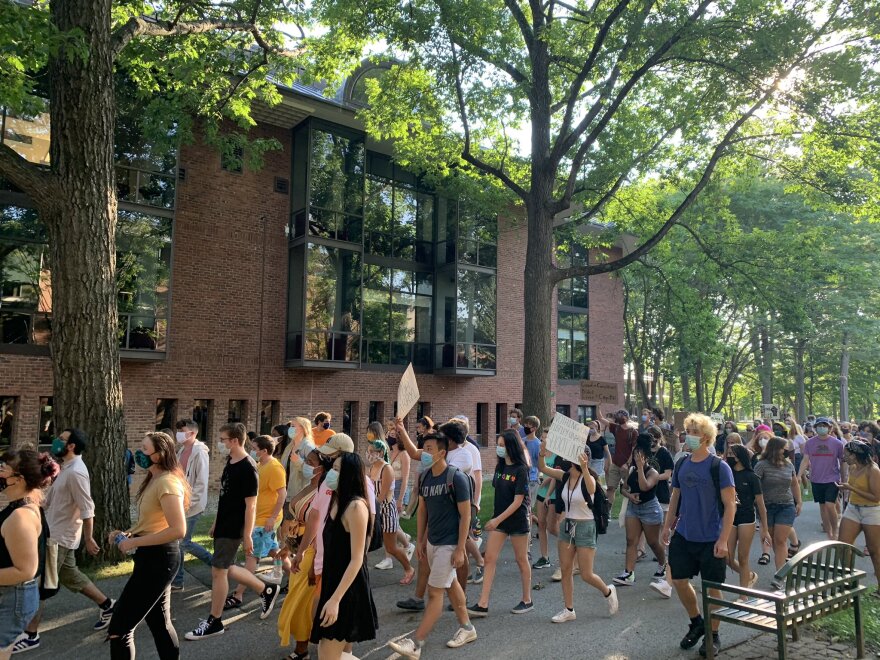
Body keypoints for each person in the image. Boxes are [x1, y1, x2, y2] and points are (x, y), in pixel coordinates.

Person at [13, 430, 114, 653]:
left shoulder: (77, 472)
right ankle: (108, 607)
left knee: (42, 584)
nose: (56, 440)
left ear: (71, 446)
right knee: (70, 574)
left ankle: (31, 635)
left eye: (62, 438)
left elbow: (88, 508)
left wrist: (89, 539)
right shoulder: (67, 469)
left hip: (58, 538)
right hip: (56, 534)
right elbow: (54, 501)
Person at [185, 423, 280, 640]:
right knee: (225, 567)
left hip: (235, 527)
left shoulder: (248, 467)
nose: (221, 443)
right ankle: (265, 589)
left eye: (223, 439)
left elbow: (251, 506)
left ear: (235, 440)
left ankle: (215, 621)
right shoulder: (231, 461)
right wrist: (216, 522)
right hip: (224, 524)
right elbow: (224, 496)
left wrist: (247, 535)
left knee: (218, 571)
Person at [387, 432, 477, 658]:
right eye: (423, 448)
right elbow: (423, 511)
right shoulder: (425, 477)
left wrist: (459, 549)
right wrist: (419, 540)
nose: (424, 453)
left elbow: (465, 516)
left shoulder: (456, 478)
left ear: (442, 452)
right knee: (451, 584)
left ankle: (416, 643)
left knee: (435, 593)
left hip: (449, 544)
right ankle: (467, 628)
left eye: (429, 449)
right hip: (432, 542)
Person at [106, 432, 189, 659]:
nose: (139, 453)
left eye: (144, 449)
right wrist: (128, 533)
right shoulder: (154, 479)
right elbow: (153, 521)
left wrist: (134, 541)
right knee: (159, 623)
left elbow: (178, 530)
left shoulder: (168, 482)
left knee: (119, 629)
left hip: (160, 559)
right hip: (151, 558)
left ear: (159, 454)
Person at [661, 413, 736, 657]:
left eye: (692, 432)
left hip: (712, 537)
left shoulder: (719, 467)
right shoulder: (682, 463)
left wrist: (723, 539)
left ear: (705, 437)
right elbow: (675, 496)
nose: (687, 436)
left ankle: (713, 635)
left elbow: (730, 504)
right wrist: (667, 525)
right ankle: (696, 622)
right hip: (684, 534)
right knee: (680, 581)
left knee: (712, 587)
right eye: (687, 431)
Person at [537, 447, 618, 622]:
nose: (563, 459)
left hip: (586, 526)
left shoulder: (589, 478)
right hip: (568, 525)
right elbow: (543, 469)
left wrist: (585, 467)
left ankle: (608, 592)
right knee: (566, 569)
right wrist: (542, 453)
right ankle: (569, 609)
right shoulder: (565, 476)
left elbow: (591, 488)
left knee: (586, 574)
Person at [310, 452, 378, 659]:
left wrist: (335, 600)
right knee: (334, 652)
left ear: (348, 474)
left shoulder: (356, 507)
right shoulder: (336, 502)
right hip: (333, 583)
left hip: (347, 590)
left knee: (328, 653)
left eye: (337, 469)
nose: (331, 473)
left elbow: (358, 558)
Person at [467, 430, 533, 616]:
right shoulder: (500, 468)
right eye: (499, 444)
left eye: (502, 445)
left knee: (521, 560)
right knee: (489, 558)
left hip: (517, 520)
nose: (499, 448)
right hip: (499, 521)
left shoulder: (521, 470)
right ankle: (483, 603)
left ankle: (527, 599)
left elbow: (518, 501)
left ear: (512, 446)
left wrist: (496, 520)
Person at [0, 449, 57, 660]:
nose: (0, 472)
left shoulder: (21, 517)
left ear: (19, 479)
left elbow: (25, 570)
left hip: (13, 597)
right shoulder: (20, 506)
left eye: (4, 469)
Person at [277, 449, 333, 660]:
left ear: (322, 466)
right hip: (300, 548)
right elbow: (298, 521)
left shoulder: (326, 489)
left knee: (302, 600)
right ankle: (303, 646)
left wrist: (311, 562)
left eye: (310, 462)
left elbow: (318, 527)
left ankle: (303, 649)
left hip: (311, 550)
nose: (306, 464)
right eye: (306, 460)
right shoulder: (310, 485)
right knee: (298, 597)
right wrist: (289, 547)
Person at [228, 435, 287, 605]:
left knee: (251, 557)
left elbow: (282, 495)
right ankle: (296, 578)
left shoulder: (275, 468)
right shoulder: (261, 464)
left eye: (254, 449)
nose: (252, 451)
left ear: (264, 451)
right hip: (259, 518)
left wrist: (272, 518)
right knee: (274, 552)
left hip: (266, 520)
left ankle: (238, 594)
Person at [614, 434, 666, 587]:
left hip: (650, 509)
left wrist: (641, 469)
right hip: (634, 508)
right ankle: (629, 573)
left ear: (646, 457)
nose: (637, 458)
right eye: (635, 454)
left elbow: (644, 487)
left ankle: (663, 565)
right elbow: (622, 489)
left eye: (640, 455)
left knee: (653, 542)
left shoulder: (653, 473)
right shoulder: (631, 470)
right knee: (631, 540)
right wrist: (630, 496)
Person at [366, 435, 415, 584]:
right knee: (365, 543)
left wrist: (372, 513)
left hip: (386, 510)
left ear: (380, 453)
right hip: (375, 508)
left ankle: (409, 569)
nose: (369, 454)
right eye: (368, 451)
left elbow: (381, 496)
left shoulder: (386, 469)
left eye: (372, 451)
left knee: (391, 547)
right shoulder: (372, 467)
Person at [171, 418, 213, 591]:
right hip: (180, 502)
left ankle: (216, 563)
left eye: (183, 430)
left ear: (193, 433)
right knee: (179, 542)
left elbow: (201, 482)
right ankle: (178, 580)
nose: (179, 433)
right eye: (179, 430)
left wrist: (190, 502)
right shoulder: (181, 450)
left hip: (191, 505)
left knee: (184, 542)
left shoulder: (200, 452)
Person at [755, 437, 801, 589]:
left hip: (786, 506)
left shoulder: (789, 465)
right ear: (775, 449)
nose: (787, 451)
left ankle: (780, 575)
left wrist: (798, 501)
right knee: (773, 540)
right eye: (784, 448)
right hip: (767, 507)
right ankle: (781, 569)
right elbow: (755, 486)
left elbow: (794, 483)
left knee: (780, 540)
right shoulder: (761, 465)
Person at [724, 444, 770, 591]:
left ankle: (743, 594)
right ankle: (749, 576)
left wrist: (765, 529)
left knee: (743, 558)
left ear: (741, 457)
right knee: (727, 557)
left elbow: (761, 504)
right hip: (730, 518)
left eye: (733, 454)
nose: (730, 456)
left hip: (747, 518)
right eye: (728, 453)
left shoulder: (752, 477)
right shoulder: (726, 474)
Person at [838, 441, 880, 591]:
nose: (845, 457)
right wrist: (846, 488)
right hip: (853, 508)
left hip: (872, 510)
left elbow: (876, 497)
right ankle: (848, 582)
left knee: (875, 551)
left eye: (847, 454)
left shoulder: (873, 470)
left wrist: (851, 488)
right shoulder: (852, 467)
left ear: (856, 455)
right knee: (843, 546)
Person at [798, 417, 846, 540]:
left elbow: (843, 462)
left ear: (830, 428)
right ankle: (828, 530)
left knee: (830, 505)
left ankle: (835, 530)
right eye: (819, 426)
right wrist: (799, 475)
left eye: (825, 425)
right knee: (823, 506)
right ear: (815, 428)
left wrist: (844, 479)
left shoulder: (837, 444)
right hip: (816, 479)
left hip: (832, 478)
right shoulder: (810, 443)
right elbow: (805, 460)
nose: (822, 428)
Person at [531, 439, 559, 571]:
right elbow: (539, 469)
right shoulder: (541, 454)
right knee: (541, 524)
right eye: (542, 438)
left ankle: (572, 546)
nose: (544, 441)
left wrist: (546, 480)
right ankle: (545, 557)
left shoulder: (557, 455)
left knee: (553, 527)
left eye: (547, 438)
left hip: (553, 494)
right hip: (541, 493)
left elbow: (556, 474)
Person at [601, 409, 638, 509]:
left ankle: (630, 510)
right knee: (610, 488)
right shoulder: (616, 428)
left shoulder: (633, 432)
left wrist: (627, 463)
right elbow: (601, 419)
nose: (620, 417)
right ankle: (608, 511)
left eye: (622, 415)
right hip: (615, 464)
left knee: (628, 489)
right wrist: (597, 406)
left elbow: (634, 449)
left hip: (626, 466)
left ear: (627, 417)